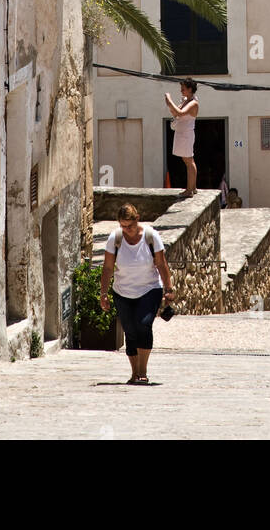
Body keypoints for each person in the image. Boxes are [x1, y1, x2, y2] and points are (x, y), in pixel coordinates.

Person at [100, 204, 174, 385]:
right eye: (123, 226)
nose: (127, 230)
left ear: (137, 219)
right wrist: (103, 293)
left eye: (130, 226)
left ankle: (143, 371)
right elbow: (108, 267)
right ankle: (134, 373)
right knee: (130, 331)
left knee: (143, 325)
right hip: (122, 292)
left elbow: (162, 264)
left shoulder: (150, 236)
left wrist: (169, 288)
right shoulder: (115, 238)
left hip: (149, 289)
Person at [164, 77, 199, 197]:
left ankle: (190, 189)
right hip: (182, 133)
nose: (181, 90)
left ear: (190, 89)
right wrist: (170, 105)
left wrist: (169, 100)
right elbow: (175, 112)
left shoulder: (193, 103)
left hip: (186, 134)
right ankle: (192, 188)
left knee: (189, 161)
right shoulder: (186, 100)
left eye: (183, 88)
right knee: (188, 161)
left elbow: (180, 113)